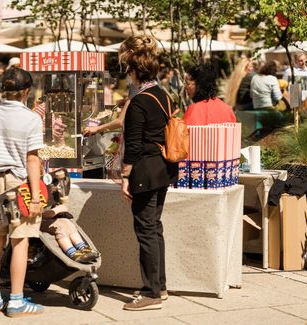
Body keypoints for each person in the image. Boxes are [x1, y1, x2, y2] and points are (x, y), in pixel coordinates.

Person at [0, 67, 45, 317]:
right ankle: (16, 301)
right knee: (20, 240)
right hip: (21, 183)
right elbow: (32, 160)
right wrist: (37, 196)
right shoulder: (31, 119)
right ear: (26, 91)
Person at [119, 35, 178, 311]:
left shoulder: (140, 101)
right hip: (163, 168)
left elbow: (132, 146)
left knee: (145, 230)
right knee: (154, 228)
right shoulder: (163, 96)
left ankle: (151, 291)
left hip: (144, 170)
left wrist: (124, 177)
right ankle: (160, 286)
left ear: (134, 71)